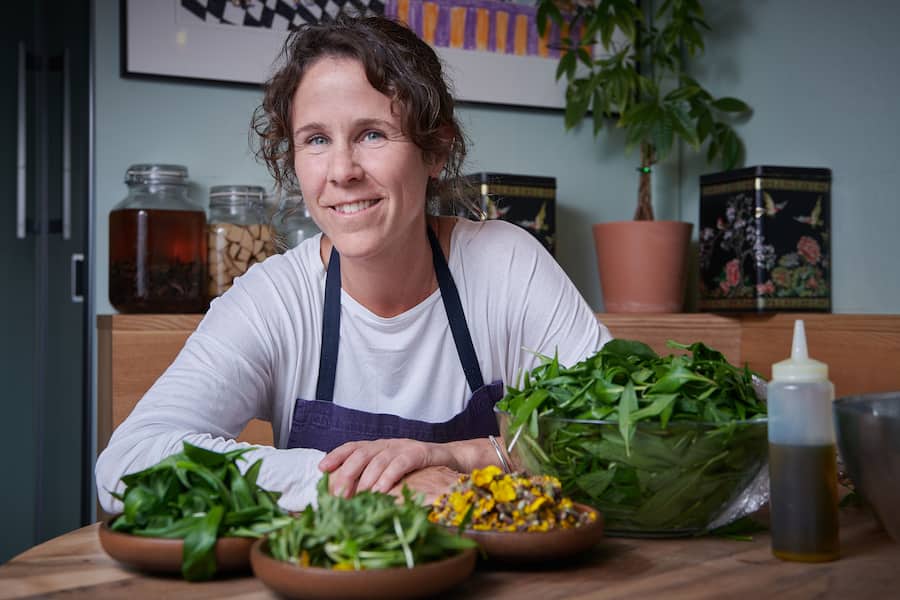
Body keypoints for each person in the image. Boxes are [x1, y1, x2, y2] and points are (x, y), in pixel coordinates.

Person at [95, 14, 611, 512]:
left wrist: (457, 456)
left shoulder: (507, 265)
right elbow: (128, 463)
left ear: (435, 151)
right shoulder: (274, 299)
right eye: (316, 139)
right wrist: (364, 486)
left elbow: (622, 441)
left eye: (372, 134)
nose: (341, 171)